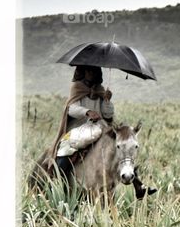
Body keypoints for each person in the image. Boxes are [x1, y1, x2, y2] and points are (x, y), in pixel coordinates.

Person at [48, 65, 157, 198]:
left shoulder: (100, 90)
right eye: (89, 70)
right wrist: (87, 112)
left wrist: (106, 100)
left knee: (122, 146)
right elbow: (71, 109)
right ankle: (57, 178)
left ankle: (137, 184)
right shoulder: (77, 88)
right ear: (83, 71)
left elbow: (108, 114)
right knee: (65, 149)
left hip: (100, 127)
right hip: (79, 128)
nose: (92, 73)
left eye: (94, 71)